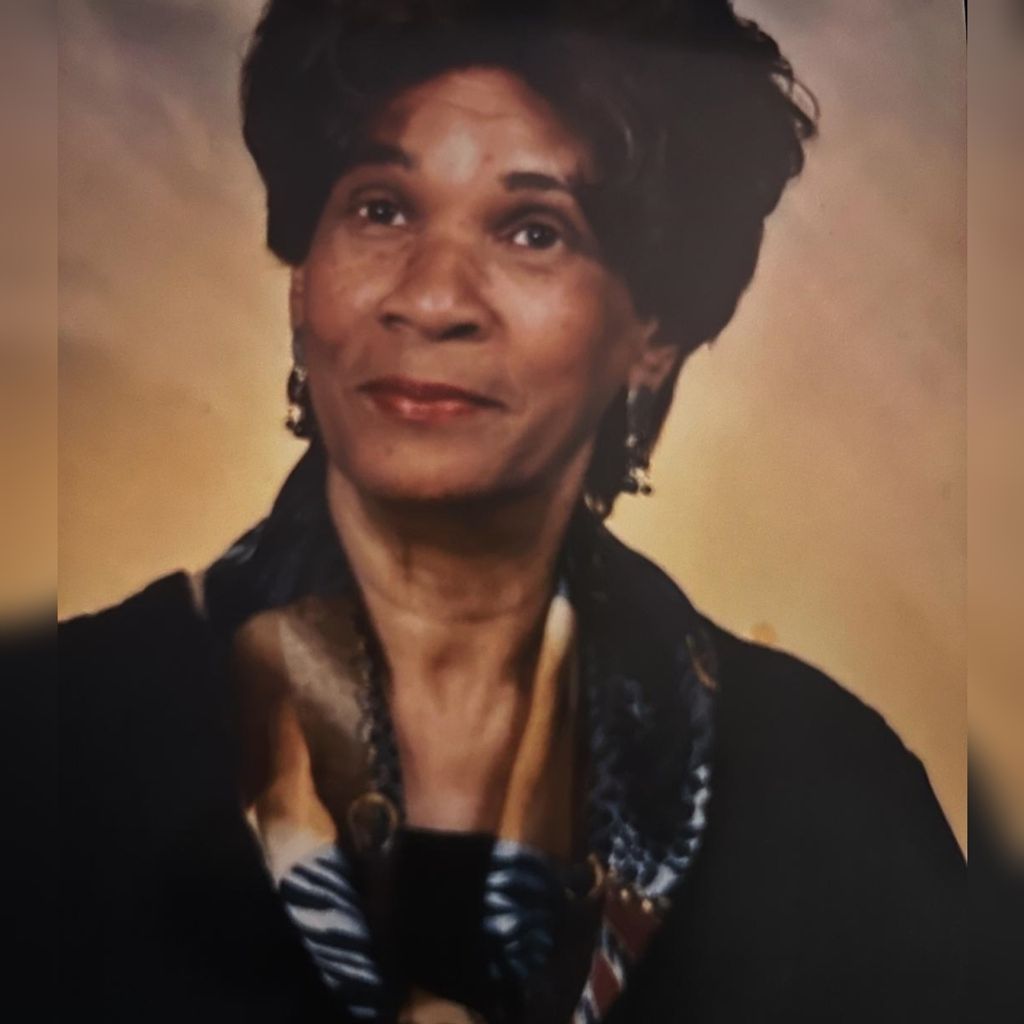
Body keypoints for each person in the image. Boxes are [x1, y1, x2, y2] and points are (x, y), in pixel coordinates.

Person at [59, 1, 964, 1021]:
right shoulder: (62, 736)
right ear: (303, 278)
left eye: (535, 231)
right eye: (381, 209)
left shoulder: (826, 795)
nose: (432, 298)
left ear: (653, 331)